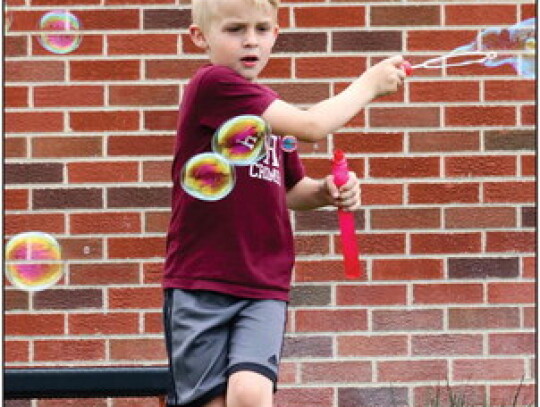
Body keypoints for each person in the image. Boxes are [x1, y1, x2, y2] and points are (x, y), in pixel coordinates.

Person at [162, 1, 406, 407]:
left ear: (276, 34)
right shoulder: (213, 85)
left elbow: (291, 189)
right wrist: (368, 84)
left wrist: (326, 191)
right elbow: (313, 126)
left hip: (263, 284)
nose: (250, 40)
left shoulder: (267, 112)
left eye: (262, 29)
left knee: (251, 393)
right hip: (202, 282)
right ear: (199, 37)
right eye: (235, 29)